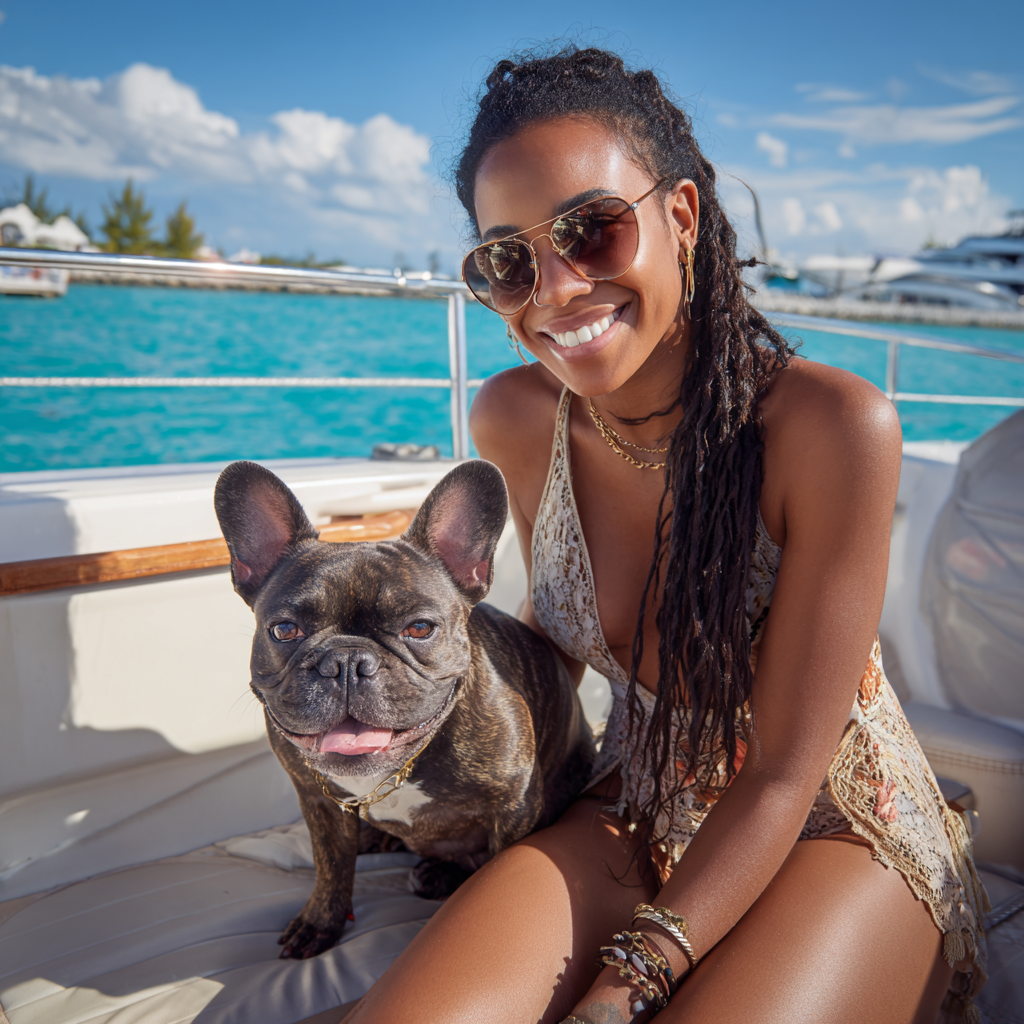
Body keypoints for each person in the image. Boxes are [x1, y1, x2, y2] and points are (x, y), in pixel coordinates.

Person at [343, 46, 987, 1024]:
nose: (553, 289)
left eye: (590, 232)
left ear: (678, 217)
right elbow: (551, 640)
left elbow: (781, 771)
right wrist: (398, 733)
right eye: (507, 259)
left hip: (834, 819)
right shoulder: (516, 420)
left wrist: (625, 979)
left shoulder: (830, 429)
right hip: (635, 796)